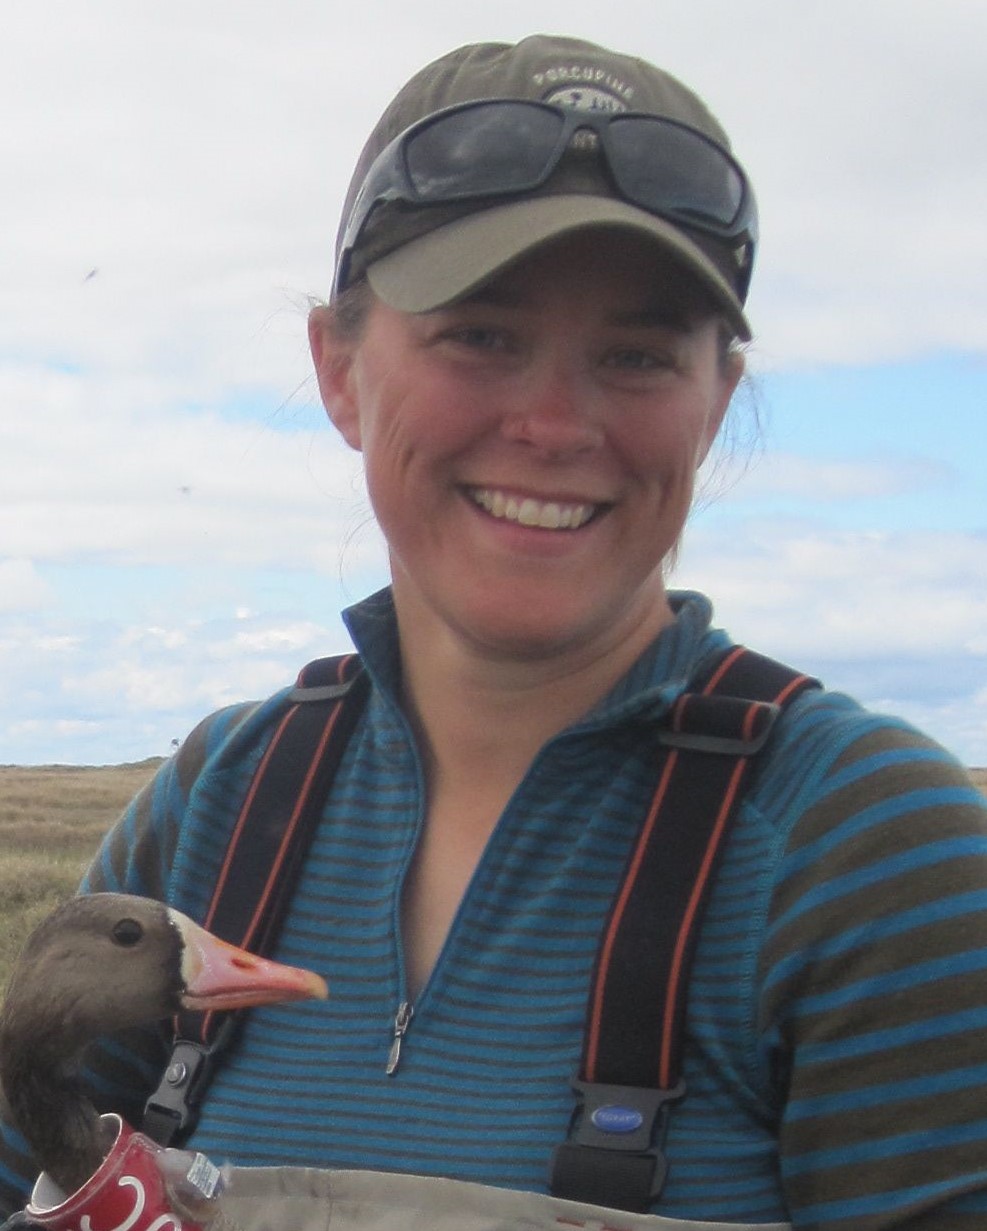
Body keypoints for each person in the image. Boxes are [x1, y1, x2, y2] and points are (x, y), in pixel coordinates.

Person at [3, 33, 987, 1231]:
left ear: (718, 401)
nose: (555, 423)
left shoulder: (869, 848)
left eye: (637, 354)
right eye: (481, 333)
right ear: (338, 369)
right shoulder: (223, 798)